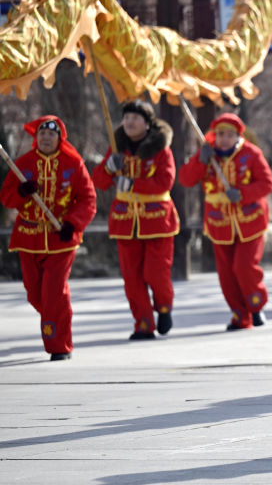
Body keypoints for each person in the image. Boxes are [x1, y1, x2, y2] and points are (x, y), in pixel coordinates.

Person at [0, 115, 96, 360]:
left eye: (51, 134)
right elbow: (7, 197)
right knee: (34, 292)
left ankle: (59, 346)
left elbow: (88, 200)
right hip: (28, 236)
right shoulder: (22, 163)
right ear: (35, 137)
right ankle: (58, 319)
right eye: (41, 133)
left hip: (60, 237)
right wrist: (21, 192)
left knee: (54, 292)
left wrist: (72, 223)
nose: (45, 137)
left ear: (60, 138)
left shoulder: (73, 164)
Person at [92, 100, 179, 340]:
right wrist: (109, 168)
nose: (129, 122)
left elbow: (165, 182)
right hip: (125, 220)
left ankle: (163, 307)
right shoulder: (116, 146)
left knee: (156, 272)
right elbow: (98, 181)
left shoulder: (162, 149)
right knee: (132, 277)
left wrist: (133, 184)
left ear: (147, 124)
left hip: (157, 219)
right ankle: (142, 324)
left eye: (135, 118)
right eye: (126, 117)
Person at [178, 113, 272, 330]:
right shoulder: (207, 154)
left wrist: (243, 193)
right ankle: (240, 315)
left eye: (229, 135)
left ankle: (255, 304)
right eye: (220, 134)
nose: (223, 139)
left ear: (238, 136)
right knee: (227, 273)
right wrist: (199, 161)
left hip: (250, 220)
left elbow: (267, 183)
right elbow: (186, 179)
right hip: (219, 221)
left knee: (244, 266)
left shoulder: (251, 153)